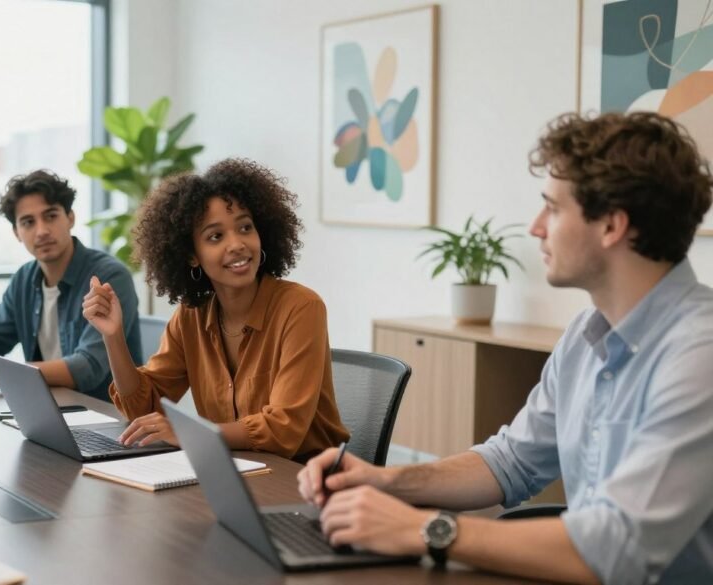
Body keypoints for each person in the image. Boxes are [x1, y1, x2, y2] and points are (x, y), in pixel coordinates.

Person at [297, 112, 713, 584]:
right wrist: (386, 481)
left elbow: (616, 547)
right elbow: (511, 463)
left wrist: (424, 529)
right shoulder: (585, 334)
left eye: (553, 209)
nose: (536, 227)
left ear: (612, 226)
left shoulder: (699, 356)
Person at [83, 158, 349, 461]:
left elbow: (283, 428)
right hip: (232, 466)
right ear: (191, 255)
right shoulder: (192, 314)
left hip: (305, 476)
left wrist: (191, 432)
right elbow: (142, 409)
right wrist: (113, 336)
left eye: (245, 227)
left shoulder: (301, 308)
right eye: (215, 236)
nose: (237, 244)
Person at [0, 169, 141, 401]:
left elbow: (88, 367)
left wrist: (2, 371)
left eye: (51, 216)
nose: (42, 231)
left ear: (70, 218)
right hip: (48, 408)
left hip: (108, 416)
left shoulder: (109, 277)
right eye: (28, 222)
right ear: (17, 232)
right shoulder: (24, 279)